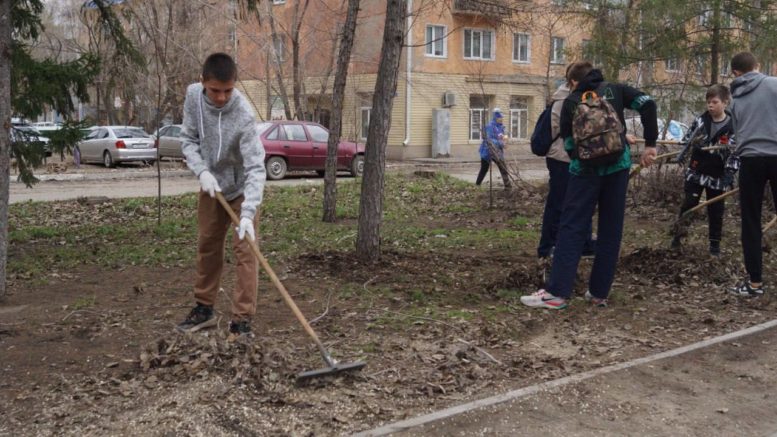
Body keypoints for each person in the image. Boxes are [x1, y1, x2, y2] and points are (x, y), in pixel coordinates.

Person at [521, 61, 657, 309]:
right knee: (610, 229)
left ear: (573, 81)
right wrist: (650, 144)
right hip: (618, 167)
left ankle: (557, 293)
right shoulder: (615, 90)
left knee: (571, 227)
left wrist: (581, 163)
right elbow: (648, 103)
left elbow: (569, 143)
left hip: (585, 173)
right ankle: (598, 293)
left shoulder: (572, 100)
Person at [176, 53, 267, 336]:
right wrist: (202, 172)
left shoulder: (243, 115)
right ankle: (204, 308)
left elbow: (255, 167)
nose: (221, 97)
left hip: (241, 190)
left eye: (228, 90)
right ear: (203, 82)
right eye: (215, 90)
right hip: (211, 186)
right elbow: (188, 140)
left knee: (246, 253)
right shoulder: (193, 97)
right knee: (208, 246)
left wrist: (249, 212)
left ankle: (241, 320)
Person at [727, 52, 777, 297]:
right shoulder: (773, 84)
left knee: (751, 221)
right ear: (756, 66)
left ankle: (755, 283)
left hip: (750, 161)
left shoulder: (734, 99)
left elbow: (737, 133)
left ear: (736, 73)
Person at [671, 84, 739, 256]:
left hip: (717, 176)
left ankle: (714, 245)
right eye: (708, 102)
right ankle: (678, 237)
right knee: (689, 204)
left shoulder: (733, 126)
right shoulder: (701, 121)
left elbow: (736, 152)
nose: (710, 105)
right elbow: (687, 140)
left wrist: (730, 172)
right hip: (696, 172)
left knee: (716, 211)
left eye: (714, 102)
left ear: (725, 102)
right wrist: (693, 144)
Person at [537, 73, 596, 260]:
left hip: (569, 157)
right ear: (573, 81)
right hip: (562, 157)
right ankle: (547, 247)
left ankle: (584, 243)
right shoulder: (566, 101)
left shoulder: (573, 98)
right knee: (558, 204)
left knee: (579, 202)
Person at [475, 109, 512, 190]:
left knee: (503, 168)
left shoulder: (501, 126)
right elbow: (489, 139)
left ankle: (508, 187)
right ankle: (477, 185)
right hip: (487, 151)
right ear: (495, 118)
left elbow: (502, 136)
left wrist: (505, 140)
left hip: (498, 151)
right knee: (484, 169)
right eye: (500, 118)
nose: (502, 119)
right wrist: (501, 143)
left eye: (502, 118)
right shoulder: (490, 126)